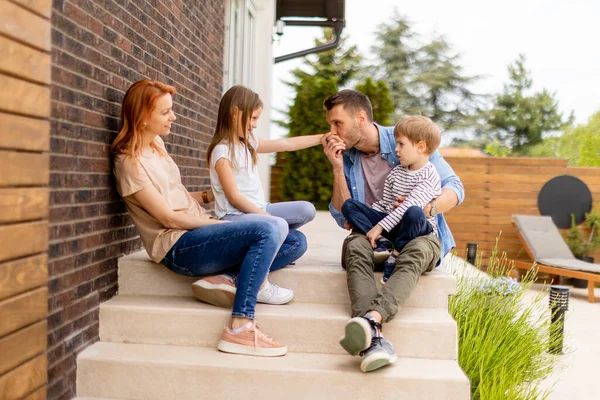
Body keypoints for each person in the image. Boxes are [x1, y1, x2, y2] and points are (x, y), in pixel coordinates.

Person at [112, 79, 291, 357]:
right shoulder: (130, 164)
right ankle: (240, 326)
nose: (173, 116)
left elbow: (173, 194)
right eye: (165, 112)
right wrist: (218, 224)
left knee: (295, 240)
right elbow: (168, 218)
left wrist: (207, 197)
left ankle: (228, 278)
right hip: (178, 246)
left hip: (195, 230)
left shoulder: (157, 144)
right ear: (143, 118)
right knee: (267, 231)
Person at [321, 90, 464, 372]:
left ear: (360, 118)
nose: (331, 132)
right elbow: (342, 216)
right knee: (354, 245)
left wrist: (423, 208)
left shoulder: (408, 138)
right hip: (380, 231)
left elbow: (455, 189)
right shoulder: (347, 157)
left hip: (417, 231)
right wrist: (337, 169)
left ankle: (373, 319)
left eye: (337, 123)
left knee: (417, 248)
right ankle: (372, 334)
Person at [206, 85, 322, 304]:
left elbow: (286, 144)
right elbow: (233, 196)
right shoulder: (221, 152)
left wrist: (323, 137)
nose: (254, 125)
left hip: (259, 209)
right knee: (282, 229)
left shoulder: (248, 143)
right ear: (235, 113)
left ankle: (249, 257)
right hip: (235, 216)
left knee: (304, 220)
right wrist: (268, 219)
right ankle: (259, 284)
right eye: (253, 118)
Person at [342, 116, 442, 284]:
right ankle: (383, 243)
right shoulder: (396, 174)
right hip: (393, 226)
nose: (396, 149)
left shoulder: (430, 176)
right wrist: (364, 217)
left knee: (414, 212)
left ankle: (395, 255)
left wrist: (379, 227)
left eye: (401, 144)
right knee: (349, 206)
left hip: (415, 228)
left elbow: (409, 206)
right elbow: (385, 204)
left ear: (421, 147)